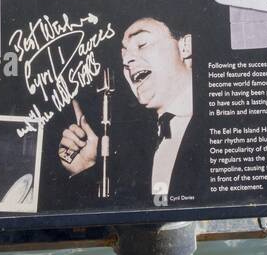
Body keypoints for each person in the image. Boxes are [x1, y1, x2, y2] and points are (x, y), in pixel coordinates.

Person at [57, 13, 198, 205]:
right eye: (124, 54)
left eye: (142, 44)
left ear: (185, 47)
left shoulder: (222, 121)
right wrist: (84, 170)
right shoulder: (136, 149)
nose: (127, 60)